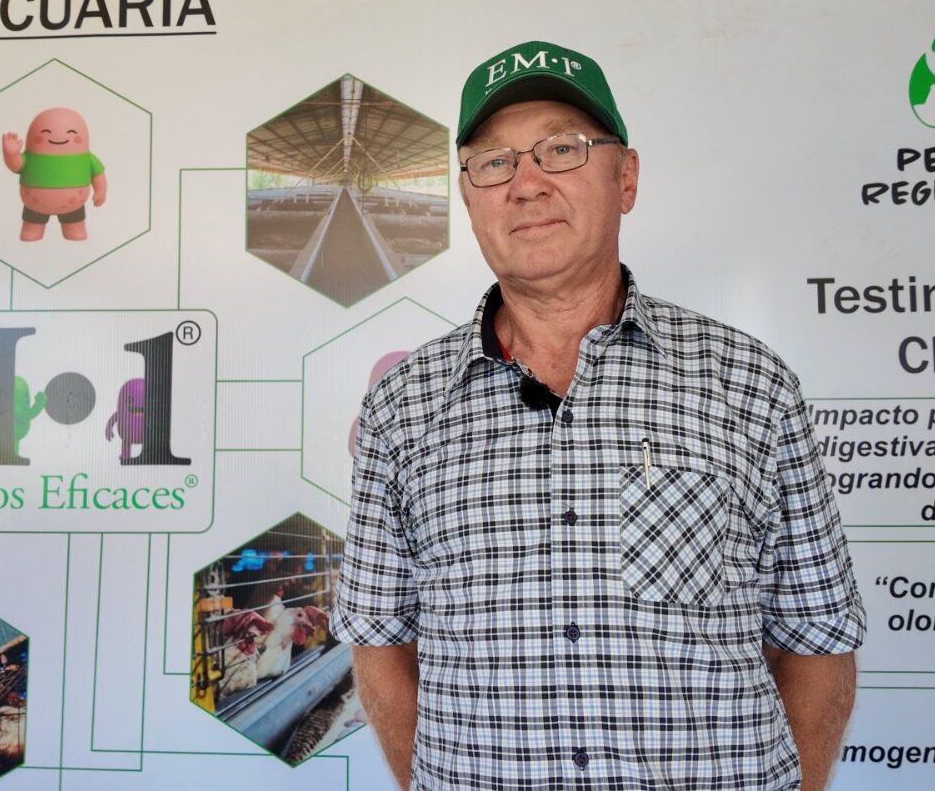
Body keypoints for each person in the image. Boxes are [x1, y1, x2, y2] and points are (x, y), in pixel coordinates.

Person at [330, 40, 865, 790]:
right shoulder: (403, 407)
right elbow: (380, 641)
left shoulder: (749, 384)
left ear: (627, 178)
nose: (526, 184)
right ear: (469, 197)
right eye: (493, 162)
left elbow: (817, 634)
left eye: (562, 149)